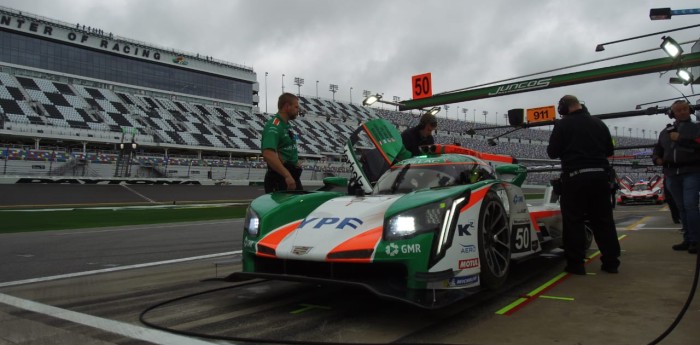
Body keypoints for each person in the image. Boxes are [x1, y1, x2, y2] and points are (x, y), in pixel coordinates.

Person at [547, 95, 621, 275]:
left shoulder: (562, 125)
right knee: (604, 221)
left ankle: (576, 264)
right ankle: (611, 262)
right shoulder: (599, 123)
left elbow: (552, 152)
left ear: (564, 108)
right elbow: (609, 150)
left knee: (574, 222)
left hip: (575, 178)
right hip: (600, 177)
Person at [651, 100, 700, 254]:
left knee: (691, 206)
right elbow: (657, 149)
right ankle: (687, 239)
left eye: (685, 109)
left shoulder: (697, 128)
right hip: (671, 173)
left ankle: (696, 241)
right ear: (673, 113)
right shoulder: (665, 132)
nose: (682, 112)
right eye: (678, 110)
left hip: (691, 171)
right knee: (682, 208)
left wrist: (680, 139)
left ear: (690, 110)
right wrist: (656, 158)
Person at [261, 93, 303, 193]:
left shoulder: (286, 125)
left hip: (291, 178)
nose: (298, 110)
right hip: (280, 179)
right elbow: (268, 153)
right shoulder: (274, 125)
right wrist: (287, 175)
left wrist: (294, 163)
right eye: (296, 107)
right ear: (287, 106)